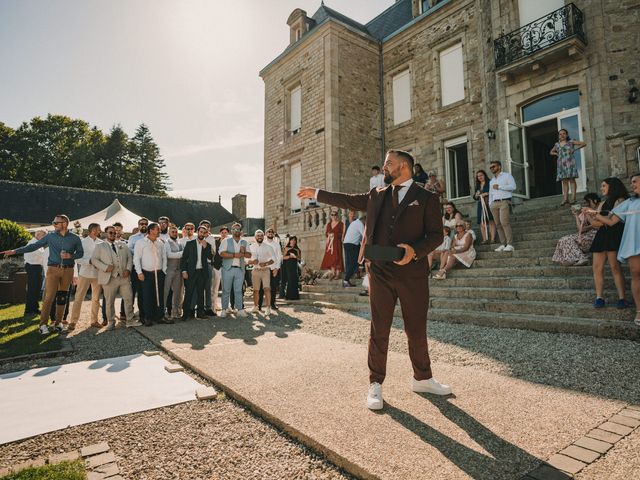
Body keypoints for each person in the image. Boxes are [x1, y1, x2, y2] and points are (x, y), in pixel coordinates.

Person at [298, 149, 450, 411]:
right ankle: (375, 383)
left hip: (412, 273)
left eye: (388, 164)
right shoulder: (376, 195)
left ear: (404, 167)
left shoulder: (426, 198)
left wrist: (414, 252)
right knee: (379, 328)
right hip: (380, 271)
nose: (384, 169)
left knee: (416, 328)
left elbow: (436, 235)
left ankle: (423, 378)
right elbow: (348, 200)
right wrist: (317, 193)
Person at [1, 215, 83, 335]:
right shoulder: (50, 236)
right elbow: (33, 246)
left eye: (56, 223)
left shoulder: (75, 238)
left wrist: (71, 256)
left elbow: (80, 253)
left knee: (62, 297)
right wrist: (14, 251)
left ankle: (58, 323)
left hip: (68, 270)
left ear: (64, 224)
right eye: (53, 223)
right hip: (53, 269)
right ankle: (43, 325)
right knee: (49, 297)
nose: (53, 224)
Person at [587, 173, 640, 324]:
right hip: (606, 236)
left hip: (613, 235)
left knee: (615, 267)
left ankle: (622, 297)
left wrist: (596, 215)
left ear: (612, 186)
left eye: (604, 185)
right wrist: (589, 215)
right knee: (598, 268)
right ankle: (600, 297)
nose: (602, 188)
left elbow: (612, 222)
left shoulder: (621, 200)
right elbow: (601, 223)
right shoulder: (609, 203)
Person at [91, 225, 139, 329]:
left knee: (129, 298)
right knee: (109, 302)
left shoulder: (122, 244)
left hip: (124, 278)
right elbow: (94, 260)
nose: (113, 234)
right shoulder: (100, 246)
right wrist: (104, 267)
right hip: (109, 278)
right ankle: (111, 323)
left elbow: (130, 258)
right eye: (110, 232)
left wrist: (128, 269)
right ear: (105, 233)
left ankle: (130, 320)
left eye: (114, 233)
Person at [133, 222, 171, 326]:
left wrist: (163, 270)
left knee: (159, 296)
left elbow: (164, 257)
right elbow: (136, 259)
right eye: (157, 229)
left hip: (159, 273)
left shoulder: (160, 243)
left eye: (159, 229)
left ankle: (159, 316)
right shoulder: (141, 242)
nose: (159, 231)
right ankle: (146, 317)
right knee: (146, 296)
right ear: (150, 230)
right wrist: (139, 272)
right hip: (146, 273)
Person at [69, 223, 103, 330]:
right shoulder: (82, 243)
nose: (100, 231)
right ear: (93, 230)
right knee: (79, 298)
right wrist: (89, 261)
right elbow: (76, 258)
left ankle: (94, 320)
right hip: (84, 274)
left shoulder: (102, 243)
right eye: (98, 229)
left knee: (96, 298)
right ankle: (73, 321)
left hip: (98, 274)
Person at [551, 193, 600, 266]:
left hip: (595, 235)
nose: (586, 204)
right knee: (562, 239)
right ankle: (572, 259)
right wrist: (576, 215)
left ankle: (581, 257)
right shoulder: (585, 212)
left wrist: (589, 218)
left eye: (587, 202)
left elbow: (595, 225)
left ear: (595, 201)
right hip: (584, 235)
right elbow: (580, 229)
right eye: (585, 202)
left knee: (568, 239)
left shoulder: (598, 210)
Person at [180, 225, 214, 320]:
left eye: (204, 232)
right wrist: (184, 271)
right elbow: (184, 259)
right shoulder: (190, 244)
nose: (202, 234)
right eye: (201, 232)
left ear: (206, 234)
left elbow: (210, 257)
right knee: (189, 293)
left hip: (202, 272)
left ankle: (200, 313)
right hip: (191, 272)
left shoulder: (207, 245)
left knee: (200, 293)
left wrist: (206, 246)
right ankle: (185, 314)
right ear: (197, 232)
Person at [219, 222, 251, 318]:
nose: (236, 231)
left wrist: (243, 252)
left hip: (240, 269)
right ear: (231, 231)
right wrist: (234, 255)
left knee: (238, 290)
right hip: (227, 269)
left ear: (241, 231)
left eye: (238, 229)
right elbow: (221, 253)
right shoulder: (226, 241)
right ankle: (224, 309)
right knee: (226, 290)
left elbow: (249, 255)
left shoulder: (244, 242)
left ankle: (240, 309)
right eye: (234, 229)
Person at [550, 129, 587, 206]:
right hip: (561, 164)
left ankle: (573, 198)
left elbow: (583, 144)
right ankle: (565, 198)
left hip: (570, 163)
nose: (562, 135)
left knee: (572, 180)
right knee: (564, 181)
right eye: (560, 134)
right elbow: (551, 152)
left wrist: (574, 149)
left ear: (566, 135)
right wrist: (557, 154)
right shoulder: (557, 144)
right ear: (558, 136)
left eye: (564, 134)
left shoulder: (571, 142)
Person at [489, 161, 516, 252]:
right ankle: (503, 244)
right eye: (491, 167)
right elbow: (490, 193)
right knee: (498, 224)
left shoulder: (507, 176)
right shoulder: (492, 180)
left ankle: (510, 244)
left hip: (504, 201)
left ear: (499, 166)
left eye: (494, 166)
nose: (492, 168)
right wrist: (490, 204)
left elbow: (513, 187)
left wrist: (500, 186)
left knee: (504, 222)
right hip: (494, 203)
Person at [249, 230, 276, 318]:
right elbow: (246, 260)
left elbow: (274, 259)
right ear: (255, 237)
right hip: (255, 270)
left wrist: (266, 263)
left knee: (267, 289)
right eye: (258, 235)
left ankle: (268, 307)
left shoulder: (268, 247)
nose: (259, 237)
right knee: (255, 290)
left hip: (265, 270)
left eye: (261, 235)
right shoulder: (251, 247)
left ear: (263, 236)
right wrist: (252, 261)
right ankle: (256, 306)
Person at [128, 217, 149, 322]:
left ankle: (142, 314)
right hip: (135, 267)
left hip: (147, 268)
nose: (143, 225)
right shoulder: (133, 238)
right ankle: (129, 314)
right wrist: (139, 251)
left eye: (145, 223)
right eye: (141, 224)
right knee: (132, 291)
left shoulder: (151, 237)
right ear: (138, 225)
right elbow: (129, 250)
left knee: (143, 292)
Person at [23, 230, 47, 316]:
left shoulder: (38, 243)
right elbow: (43, 255)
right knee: (32, 289)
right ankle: (28, 310)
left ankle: (35, 308)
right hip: (32, 267)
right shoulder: (33, 243)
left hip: (36, 267)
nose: (45, 238)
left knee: (37, 289)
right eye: (44, 236)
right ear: (39, 235)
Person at [258, 228, 282, 313]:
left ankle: (272, 304)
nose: (270, 233)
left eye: (272, 232)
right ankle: (259, 305)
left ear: (273, 234)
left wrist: (277, 268)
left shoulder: (277, 245)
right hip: (264, 269)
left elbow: (279, 257)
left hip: (273, 269)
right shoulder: (262, 244)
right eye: (269, 232)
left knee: (273, 288)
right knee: (261, 287)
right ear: (266, 234)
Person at [164, 225, 184, 320]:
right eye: (172, 232)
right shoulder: (167, 243)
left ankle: (175, 312)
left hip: (178, 271)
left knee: (177, 292)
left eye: (176, 232)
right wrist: (182, 253)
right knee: (166, 292)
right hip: (169, 270)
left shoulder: (180, 242)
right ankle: (162, 312)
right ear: (169, 233)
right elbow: (169, 255)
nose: (174, 233)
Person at [320, 210, 344, 281]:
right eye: (332, 215)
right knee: (331, 258)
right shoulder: (328, 224)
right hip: (330, 244)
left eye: (335, 215)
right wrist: (328, 235)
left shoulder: (340, 224)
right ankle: (333, 273)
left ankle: (337, 274)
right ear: (330, 216)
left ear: (337, 216)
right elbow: (326, 233)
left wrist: (335, 235)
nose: (334, 216)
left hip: (337, 243)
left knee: (338, 257)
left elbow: (342, 234)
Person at [473, 170, 496, 244]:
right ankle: (485, 239)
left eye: (481, 175)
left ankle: (492, 239)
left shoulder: (490, 182)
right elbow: (475, 196)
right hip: (481, 204)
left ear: (484, 175)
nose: (480, 177)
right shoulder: (478, 185)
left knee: (491, 221)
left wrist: (486, 193)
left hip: (489, 203)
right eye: (478, 176)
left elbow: (494, 192)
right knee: (482, 222)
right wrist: (476, 195)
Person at [343, 213, 365, 287]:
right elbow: (364, 236)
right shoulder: (360, 224)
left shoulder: (354, 223)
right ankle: (346, 280)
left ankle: (347, 280)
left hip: (347, 244)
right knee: (354, 263)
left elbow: (359, 237)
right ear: (364, 221)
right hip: (351, 245)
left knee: (350, 263)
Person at [211, 226, 229, 312]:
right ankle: (214, 305)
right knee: (215, 287)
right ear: (220, 233)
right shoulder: (215, 242)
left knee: (226, 287)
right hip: (217, 267)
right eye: (222, 232)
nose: (224, 234)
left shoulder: (230, 242)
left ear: (228, 234)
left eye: (225, 233)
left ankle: (226, 306)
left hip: (227, 267)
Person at [282, 236, 301, 300]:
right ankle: (289, 296)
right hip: (288, 265)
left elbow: (299, 258)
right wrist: (289, 256)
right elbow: (283, 257)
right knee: (290, 279)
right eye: (292, 240)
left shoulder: (297, 249)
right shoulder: (286, 248)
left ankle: (295, 296)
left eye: (294, 240)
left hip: (294, 266)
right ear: (289, 241)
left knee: (294, 279)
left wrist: (295, 257)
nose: (293, 241)